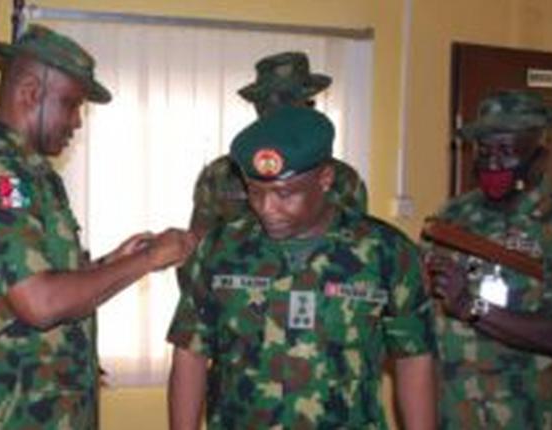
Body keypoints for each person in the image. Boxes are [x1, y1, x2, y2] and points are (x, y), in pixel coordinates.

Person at [0, 24, 196, 429]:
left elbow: (28, 286)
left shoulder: (34, 176)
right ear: (31, 93)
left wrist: (109, 262)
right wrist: (148, 260)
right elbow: (41, 303)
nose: (77, 122)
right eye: (71, 105)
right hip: (2, 415)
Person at [168, 106, 436, 429]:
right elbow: (190, 354)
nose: (267, 208)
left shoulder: (387, 252)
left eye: (284, 194)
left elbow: (413, 358)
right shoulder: (220, 249)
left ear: (324, 179)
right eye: (255, 192)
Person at [422, 90, 552, 429]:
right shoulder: (452, 216)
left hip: (532, 417)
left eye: (507, 151)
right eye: (484, 150)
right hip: (454, 416)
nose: (492, 163)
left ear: (539, 154)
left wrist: (469, 304)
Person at [188, 51, 368, 238]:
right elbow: (198, 244)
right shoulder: (220, 174)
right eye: (269, 102)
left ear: (309, 105)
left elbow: (361, 244)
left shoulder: (343, 179)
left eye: (290, 100)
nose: (279, 111)